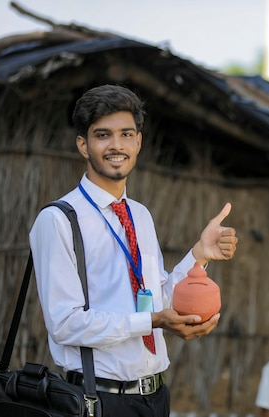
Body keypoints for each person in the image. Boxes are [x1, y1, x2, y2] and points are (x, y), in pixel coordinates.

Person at [29, 84, 238, 417]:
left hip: (155, 398)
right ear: (83, 145)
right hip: (96, 400)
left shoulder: (139, 215)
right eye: (103, 135)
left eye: (126, 134)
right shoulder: (57, 220)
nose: (117, 145)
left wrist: (199, 255)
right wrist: (152, 320)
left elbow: (154, 298)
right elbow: (65, 324)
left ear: (138, 142)